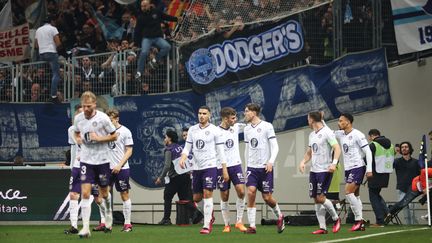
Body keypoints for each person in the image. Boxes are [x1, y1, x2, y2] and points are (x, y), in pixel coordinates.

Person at [74, 91, 118, 238]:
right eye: (83, 106)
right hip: (86, 160)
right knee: (85, 193)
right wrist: (79, 140)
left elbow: (114, 135)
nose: (86, 108)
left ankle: (108, 212)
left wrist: (99, 139)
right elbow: (76, 133)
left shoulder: (103, 118)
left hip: (102, 160)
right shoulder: (78, 118)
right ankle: (86, 228)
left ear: (94, 105)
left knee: (104, 193)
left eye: (88, 106)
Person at [179, 106, 228, 234]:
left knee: (207, 194)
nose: (201, 115)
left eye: (204, 113)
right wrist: (183, 158)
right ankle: (209, 214)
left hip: (210, 167)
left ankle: (206, 225)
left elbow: (221, 151)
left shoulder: (215, 130)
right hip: (196, 168)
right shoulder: (192, 130)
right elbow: (187, 147)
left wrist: (224, 168)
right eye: (199, 113)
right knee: (196, 198)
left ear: (209, 115)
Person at [243, 103, 285, 234]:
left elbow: (275, 147)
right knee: (250, 192)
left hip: (265, 168)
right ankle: (252, 226)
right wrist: (246, 167)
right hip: (252, 168)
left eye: (246, 111)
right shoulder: (246, 129)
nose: (244, 114)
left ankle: (280, 216)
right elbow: (247, 149)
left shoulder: (267, 126)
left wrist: (271, 162)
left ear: (254, 113)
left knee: (267, 198)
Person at [298, 111, 341, 235]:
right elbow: (309, 153)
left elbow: (337, 148)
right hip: (314, 171)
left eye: (308, 118)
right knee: (316, 199)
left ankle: (335, 219)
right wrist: (302, 162)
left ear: (312, 119)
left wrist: (334, 163)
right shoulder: (312, 135)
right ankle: (322, 228)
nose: (307, 121)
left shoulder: (327, 132)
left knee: (321, 197)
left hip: (325, 170)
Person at [334, 113, 372, 231]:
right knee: (356, 195)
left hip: (358, 166)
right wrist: (320, 120)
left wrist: (369, 169)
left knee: (348, 192)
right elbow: (327, 132)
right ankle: (361, 223)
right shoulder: (340, 134)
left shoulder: (357, 134)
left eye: (341, 121)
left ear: (348, 122)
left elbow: (368, 152)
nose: (339, 123)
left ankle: (358, 220)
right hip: (348, 168)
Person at [216, 107, 247, 233]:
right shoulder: (216, 132)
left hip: (236, 165)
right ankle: (227, 224)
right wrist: (223, 169)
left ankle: (239, 221)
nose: (235, 120)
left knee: (241, 191)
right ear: (225, 118)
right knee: (225, 195)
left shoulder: (236, 127)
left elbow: (250, 124)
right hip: (221, 166)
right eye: (233, 118)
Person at [155, 129, 193, 225]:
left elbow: (167, 165)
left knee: (167, 196)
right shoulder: (180, 147)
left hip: (174, 177)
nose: (164, 139)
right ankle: (189, 218)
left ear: (169, 138)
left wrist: (161, 177)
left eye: (165, 137)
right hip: (185, 176)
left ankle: (166, 219)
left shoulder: (169, 149)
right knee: (184, 198)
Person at [134, 0, 179, 79]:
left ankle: (155, 60)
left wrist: (176, 19)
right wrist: (135, 43)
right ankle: (139, 72)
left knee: (167, 47)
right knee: (144, 52)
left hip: (157, 37)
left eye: (145, 6)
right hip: (147, 38)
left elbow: (165, 16)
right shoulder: (140, 17)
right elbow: (137, 31)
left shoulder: (156, 12)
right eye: (142, 6)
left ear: (149, 5)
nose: (143, 8)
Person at [106, 108, 134, 232]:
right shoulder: (104, 132)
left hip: (122, 168)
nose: (108, 122)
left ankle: (127, 224)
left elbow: (129, 150)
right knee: (104, 195)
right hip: (106, 168)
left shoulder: (125, 131)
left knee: (124, 194)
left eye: (110, 120)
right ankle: (107, 222)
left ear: (117, 119)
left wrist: (119, 165)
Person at [367, 129, 395, 227]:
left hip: (375, 173)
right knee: (376, 194)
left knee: (373, 197)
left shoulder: (373, 145)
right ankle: (387, 213)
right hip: (386, 173)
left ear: (371, 136)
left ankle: (380, 221)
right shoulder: (391, 145)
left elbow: (366, 158)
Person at [64, 104, 83, 235]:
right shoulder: (72, 129)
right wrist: (71, 166)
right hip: (77, 166)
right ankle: (74, 226)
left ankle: (105, 221)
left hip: (93, 165)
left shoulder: (94, 128)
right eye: (79, 114)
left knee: (98, 196)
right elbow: (76, 146)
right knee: (73, 195)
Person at [34, 14, 62, 104]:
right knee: (56, 74)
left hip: (41, 54)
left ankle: (39, 93)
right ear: (52, 22)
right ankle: (53, 96)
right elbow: (58, 43)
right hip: (51, 53)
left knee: (41, 73)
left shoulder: (38, 30)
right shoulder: (53, 28)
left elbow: (36, 45)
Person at [393, 141, 420, 224]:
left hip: (413, 189)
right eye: (402, 147)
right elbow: (387, 164)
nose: (404, 148)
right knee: (404, 210)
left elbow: (421, 175)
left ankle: (414, 226)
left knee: (412, 211)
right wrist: (394, 152)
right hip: (401, 188)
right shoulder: (396, 161)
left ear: (410, 149)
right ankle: (408, 227)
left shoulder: (416, 162)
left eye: (406, 147)